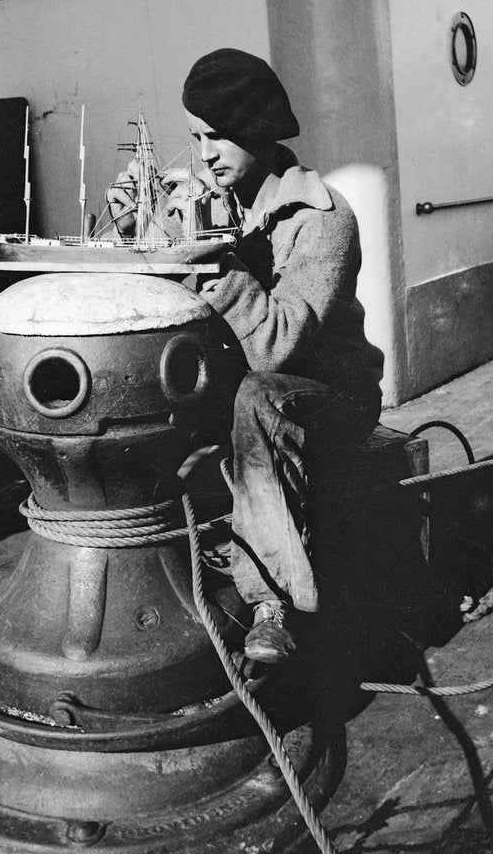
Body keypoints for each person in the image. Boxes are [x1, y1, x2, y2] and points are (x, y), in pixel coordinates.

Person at [109, 49, 383, 665]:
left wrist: (211, 264)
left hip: (331, 398)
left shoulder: (322, 216)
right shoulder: (216, 201)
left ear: (258, 131)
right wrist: (141, 227)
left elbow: (276, 345)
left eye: (217, 137)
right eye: (195, 138)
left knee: (258, 395)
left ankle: (272, 604)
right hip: (247, 402)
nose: (204, 154)